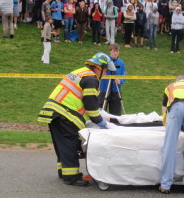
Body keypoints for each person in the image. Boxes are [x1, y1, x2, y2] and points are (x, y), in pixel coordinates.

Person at [37, 52, 116, 186]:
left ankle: (63, 171)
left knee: (62, 144)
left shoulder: (81, 72)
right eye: (106, 70)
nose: (107, 73)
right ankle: (71, 177)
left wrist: (98, 111)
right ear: (99, 67)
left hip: (54, 112)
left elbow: (86, 99)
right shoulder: (91, 78)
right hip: (65, 114)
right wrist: (101, 122)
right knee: (70, 144)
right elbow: (90, 105)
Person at [98, 44, 126, 116]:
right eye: (114, 51)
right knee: (101, 110)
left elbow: (124, 75)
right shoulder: (104, 61)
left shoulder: (121, 63)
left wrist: (120, 81)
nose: (115, 53)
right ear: (110, 51)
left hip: (116, 90)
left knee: (116, 114)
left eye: (117, 51)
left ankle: (115, 125)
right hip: (104, 89)